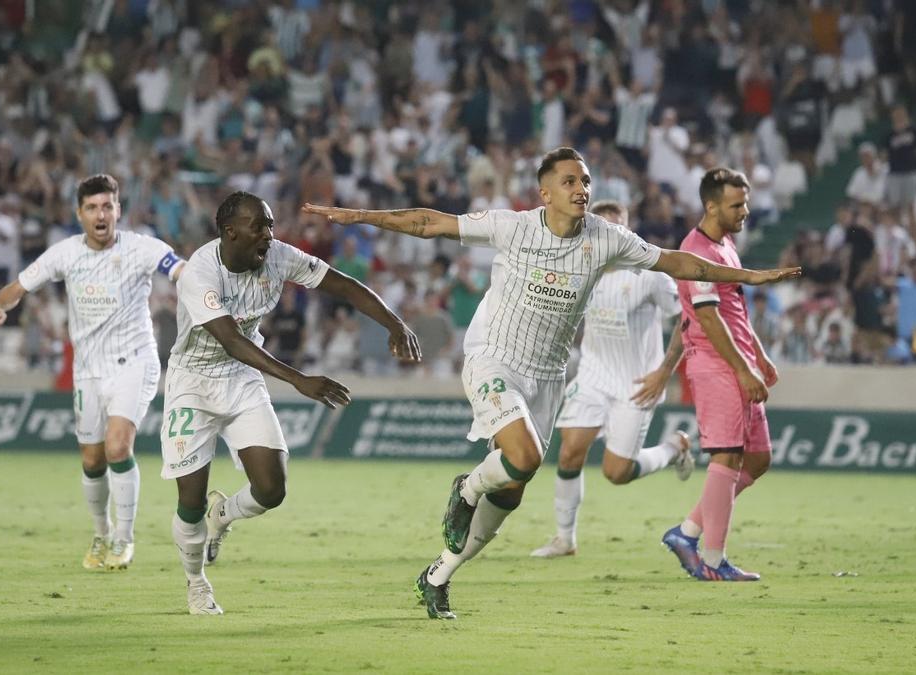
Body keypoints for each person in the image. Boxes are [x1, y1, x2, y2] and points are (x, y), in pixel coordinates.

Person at [303, 147, 800, 619]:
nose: (581, 187)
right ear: (545, 193)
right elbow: (427, 222)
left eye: (585, 180)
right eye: (569, 181)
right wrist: (363, 216)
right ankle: (467, 487)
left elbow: (677, 261)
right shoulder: (512, 227)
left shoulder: (606, 237)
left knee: (514, 490)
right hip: (494, 359)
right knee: (522, 459)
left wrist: (746, 276)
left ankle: (439, 574)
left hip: (549, 376)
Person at [167, 191, 420, 615]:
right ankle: (197, 583)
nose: (269, 233)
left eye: (270, 224)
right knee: (189, 502)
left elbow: (341, 284)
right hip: (192, 383)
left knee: (272, 489)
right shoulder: (200, 273)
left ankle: (224, 514)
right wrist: (298, 379)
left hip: (241, 378)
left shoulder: (278, 256)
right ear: (230, 232)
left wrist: (394, 322)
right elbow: (230, 340)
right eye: (258, 226)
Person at [0, 174, 185, 571]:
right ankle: (101, 533)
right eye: (92, 207)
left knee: (117, 447)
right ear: (80, 214)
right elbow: (19, 286)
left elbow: (177, 269)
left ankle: (124, 539)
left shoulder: (142, 248)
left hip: (134, 362)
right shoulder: (65, 253)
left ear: (118, 211)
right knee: (92, 461)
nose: (101, 214)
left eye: (107, 206)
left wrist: (198, 281)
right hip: (88, 370)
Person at [529, 200, 693, 559]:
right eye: (602, 227)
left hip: (637, 383)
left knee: (617, 473)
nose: (610, 234)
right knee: (570, 452)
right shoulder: (577, 270)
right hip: (592, 375)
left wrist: (664, 373)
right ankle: (564, 539)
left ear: (627, 230)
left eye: (617, 227)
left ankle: (675, 448)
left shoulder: (650, 274)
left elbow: (687, 320)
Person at [660, 168, 786, 582]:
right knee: (727, 455)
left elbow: (734, 310)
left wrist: (760, 356)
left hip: (739, 359)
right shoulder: (696, 252)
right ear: (711, 205)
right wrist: (742, 367)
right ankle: (713, 560)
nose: (745, 211)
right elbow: (709, 317)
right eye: (737, 204)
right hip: (716, 364)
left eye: (745, 202)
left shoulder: (727, 245)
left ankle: (688, 532)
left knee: (758, 457)